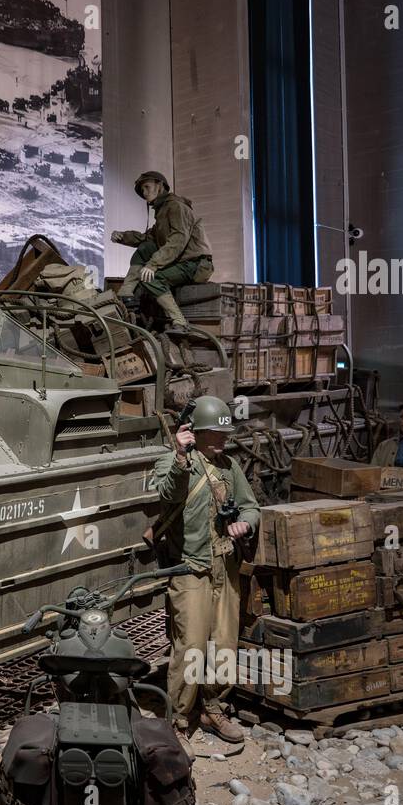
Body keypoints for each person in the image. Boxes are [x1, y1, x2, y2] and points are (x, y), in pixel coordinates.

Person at [148, 396, 260, 755]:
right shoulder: (175, 462)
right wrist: (181, 457)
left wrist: (247, 522)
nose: (223, 439)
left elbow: (250, 504)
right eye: (216, 432)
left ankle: (214, 708)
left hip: (224, 567)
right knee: (191, 646)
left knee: (224, 643)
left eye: (226, 432)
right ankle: (178, 721)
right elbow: (167, 493)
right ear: (195, 431)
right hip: (190, 569)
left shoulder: (229, 466)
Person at [111, 171, 214, 329]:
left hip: (196, 264)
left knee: (151, 278)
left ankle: (179, 321)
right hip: (182, 262)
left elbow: (178, 241)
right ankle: (126, 294)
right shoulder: (162, 211)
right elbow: (146, 239)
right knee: (146, 247)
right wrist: (122, 237)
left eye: (147, 187)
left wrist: (153, 265)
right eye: (142, 190)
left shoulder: (176, 206)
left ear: (159, 186)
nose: (144, 193)